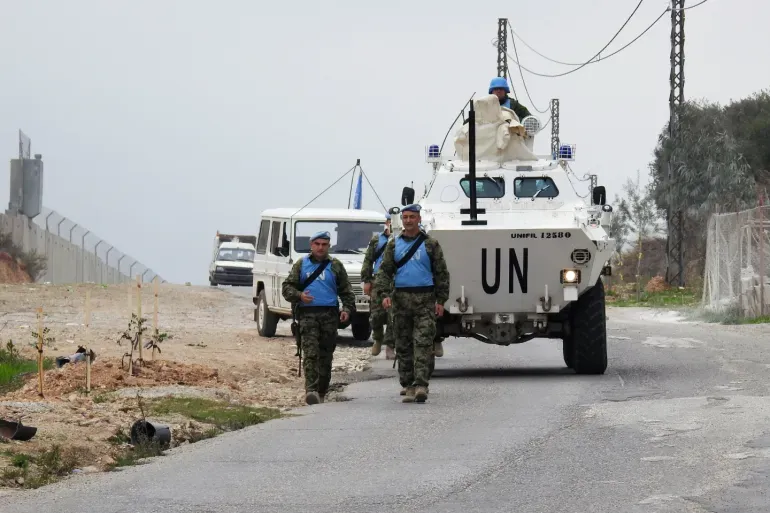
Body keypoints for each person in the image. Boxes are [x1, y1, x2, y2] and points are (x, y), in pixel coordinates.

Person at [375, 204, 450, 403]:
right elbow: (384, 272)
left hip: (425, 300)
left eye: (412, 217)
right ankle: (408, 385)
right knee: (403, 343)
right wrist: (384, 295)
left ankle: (421, 384)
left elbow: (441, 273)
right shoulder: (393, 245)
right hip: (401, 300)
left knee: (423, 342)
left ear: (419, 219)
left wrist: (441, 300)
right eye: (405, 217)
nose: (408, 220)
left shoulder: (430, 244)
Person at [282, 231, 356, 405]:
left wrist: (346, 309)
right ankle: (311, 390)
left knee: (325, 355)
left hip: (329, 316)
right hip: (307, 315)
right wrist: (300, 296)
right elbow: (287, 288)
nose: (320, 248)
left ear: (329, 246)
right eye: (317, 244)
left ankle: (322, 391)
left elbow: (347, 291)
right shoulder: (301, 264)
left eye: (324, 244)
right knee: (310, 353)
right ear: (311, 245)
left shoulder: (335, 265)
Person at [361, 213, 396, 359]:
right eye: (389, 221)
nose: (391, 224)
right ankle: (378, 338)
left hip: (395, 280)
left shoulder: (401, 239)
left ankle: (390, 346)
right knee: (376, 314)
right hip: (377, 280)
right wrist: (366, 280)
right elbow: (368, 260)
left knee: (393, 315)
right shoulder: (377, 240)